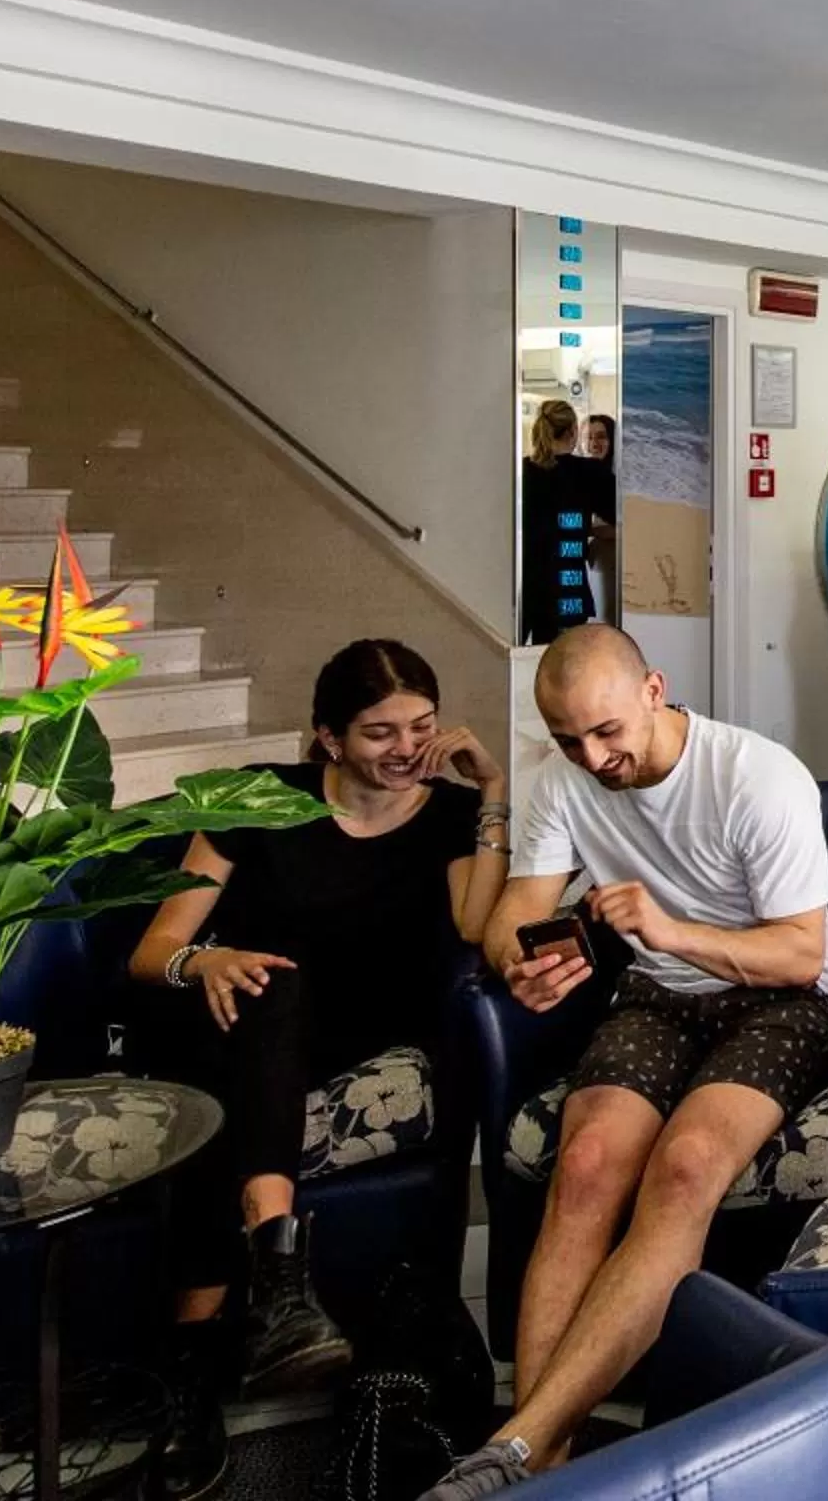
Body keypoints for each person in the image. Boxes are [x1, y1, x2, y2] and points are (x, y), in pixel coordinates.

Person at [425, 627, 828, 1499]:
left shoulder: (758, 777)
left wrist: (665, 930)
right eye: (569, 740)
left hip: (784, 999)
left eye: (608, 731)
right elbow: (515, 912)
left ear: (654, 690)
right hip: (659, 997)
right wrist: (525, 963)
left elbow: (800, 957)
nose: (595, 757)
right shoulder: (562, 783)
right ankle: (539, 1454)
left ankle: (513, 1449)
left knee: (688, 1164)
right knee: (583, 1165)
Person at [127, 640, 510, 1495]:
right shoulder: (259, 801)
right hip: (242, 1014)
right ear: (329, 739)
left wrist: (492, 792)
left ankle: (192, 1366)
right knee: (272, 988)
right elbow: (155, 950)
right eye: (380, 732)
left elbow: (480, 925)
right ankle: (275, 1282)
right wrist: (208, 964)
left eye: (421, 725)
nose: (407, 748)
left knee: (223, 1106)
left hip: (362, 1039)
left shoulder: (449, 815)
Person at [521, 400, 617, 643]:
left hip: (531, 590)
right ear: (574, 431)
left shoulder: (525, 471)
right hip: (569, 590)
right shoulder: (589, 472)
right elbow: (622, 520)